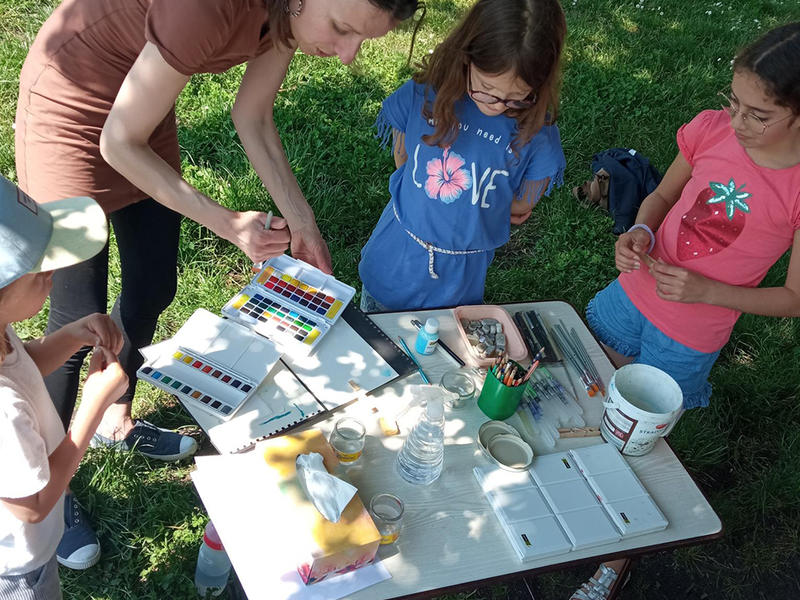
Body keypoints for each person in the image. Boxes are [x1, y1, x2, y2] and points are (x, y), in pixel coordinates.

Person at [15, 0, 421, 569]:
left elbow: (252, 116)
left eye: (363, 41)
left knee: (154, 283)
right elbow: (115, 142)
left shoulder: (287, 14)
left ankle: (114, 414)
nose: (348, 55)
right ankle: (44, 481)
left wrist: (301, 222)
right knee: (73, 314)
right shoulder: (206, 6)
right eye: (343, 29)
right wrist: (230, 224)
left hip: (142, 107)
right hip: (77, 103)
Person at [573, 22, 800, 600]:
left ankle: (616, 556)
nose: (739, 122)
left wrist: (708, 292)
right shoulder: (712, 130)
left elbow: (794, 299)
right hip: (632, 298)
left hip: (690, 337)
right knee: (584, 399)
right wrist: (641, 228)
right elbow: (665, 195)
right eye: (735, 102)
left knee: (637, 442)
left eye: (759, 114)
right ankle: (571, 493)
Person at [358, 0, 566, 312]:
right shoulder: (424, 93)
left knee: (440, 353)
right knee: (375, 331)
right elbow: (401, 154)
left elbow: (524, 203)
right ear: (466, 56)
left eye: (516, 98)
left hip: (456, 286)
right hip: (393, 261)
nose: (497, 104)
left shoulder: (537, 131)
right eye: (486, 88)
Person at [0, 177, 129, 599]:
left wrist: (72, 335)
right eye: (39, 269)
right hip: (19, 569)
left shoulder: (1, 333)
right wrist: (92, 406)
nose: (53, 271)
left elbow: (25, 365)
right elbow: (31, 505)